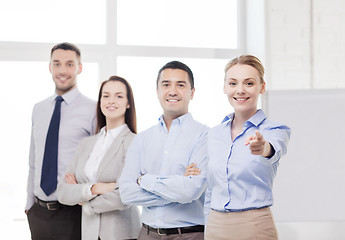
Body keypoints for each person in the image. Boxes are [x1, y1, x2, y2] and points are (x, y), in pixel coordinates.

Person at [204, 55, 291, 240]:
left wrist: (263, 147)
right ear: (225, 87)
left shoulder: (274, 130)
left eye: (249, 83)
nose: (240, 90)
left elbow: (273, 150)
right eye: (233, 83)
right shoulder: (214, 134)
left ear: (262, 87)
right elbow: (211, 188)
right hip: (215, 225)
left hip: (254, 225)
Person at [119, 61, 208, 240]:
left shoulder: (205, 136)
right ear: (157, 90)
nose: (172, 91)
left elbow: (190, 191)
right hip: (147, 234)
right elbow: (126, 194)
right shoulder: (142, 139)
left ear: (192, 92)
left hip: (189, 235)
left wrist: (144, 180)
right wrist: (177, 184)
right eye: (166, 84)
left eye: (180, 85)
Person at [25, 42, 97, 240]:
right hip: (38, 213)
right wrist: (29, 205)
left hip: (72, 212)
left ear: (79, 68)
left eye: (69, 64)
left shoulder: (93, 110)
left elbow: (98, 162)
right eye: (57, 64)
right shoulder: (38, 109)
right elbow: (33, 161)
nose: (62, 70)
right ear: (50, 67)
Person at [57, 76, 141, 240]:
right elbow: (63, 191)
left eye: (119, 96)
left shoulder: (134, 142)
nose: (111, 101)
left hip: (122, 234)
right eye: (106, 95)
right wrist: (94, 188)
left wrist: (83, 200)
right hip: (89, 234)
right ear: (100, 101)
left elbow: (125, 195)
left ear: (128, 103)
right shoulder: (86, 144)